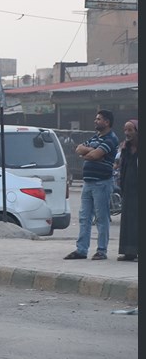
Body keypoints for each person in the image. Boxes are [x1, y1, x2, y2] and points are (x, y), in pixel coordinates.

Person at [65, 109, 120, 261]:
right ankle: (81, 250)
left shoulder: (111, 139)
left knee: (101, 218)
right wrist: (91, 152)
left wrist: (90, 153)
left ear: (107, 122)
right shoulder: (96, 138)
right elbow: (79, 149)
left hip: (102, 183)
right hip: (88, 182)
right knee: (84, 217)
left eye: (98, 119)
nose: (95, 121)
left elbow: (93, 155)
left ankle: (101, 250)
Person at [115, 119, 137, 262]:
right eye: (125, 130)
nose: (127, 133)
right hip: (128, 189)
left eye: (130, 130)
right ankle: (129, 251)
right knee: (128, 220)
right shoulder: (125, 148)